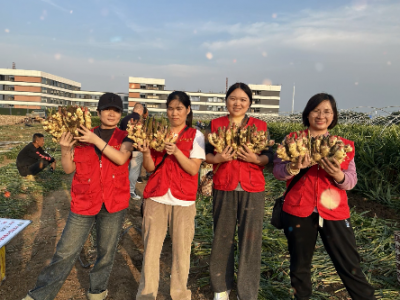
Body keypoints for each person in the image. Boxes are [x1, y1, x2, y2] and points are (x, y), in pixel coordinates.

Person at [22, 93, 133, 300]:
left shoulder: (124, 137)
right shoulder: (81, 134)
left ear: (120, 114)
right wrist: (65, 149)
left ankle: (97, 291)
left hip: (114, 202)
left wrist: (95, 140)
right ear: (98, 112)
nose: (111, 113)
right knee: (65, 251)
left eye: (116, 110)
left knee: (106, 252)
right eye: (106, 109)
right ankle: (39, 295)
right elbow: (68, 169)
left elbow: (120, 158)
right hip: (84, 200)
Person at [273, 93, 376, 300]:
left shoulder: (343, 145)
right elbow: (277, 171)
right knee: (300, 265)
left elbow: (351, 181)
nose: (321, 116)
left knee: (349, 264)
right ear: (308, 114)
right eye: (316, 110)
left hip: (334, 211)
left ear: (334, 115)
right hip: (298, 209)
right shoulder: (293, 140)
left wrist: (338, 174)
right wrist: (293, 167)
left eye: (327, 111)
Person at [205, 83, 273, 300]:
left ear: (249, 103)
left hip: (252, 188)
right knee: (222, 237)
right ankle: (220, 288)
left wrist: (257, 159)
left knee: (250, 240)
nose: (237, 103)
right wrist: (217, 159)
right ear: (226, 101)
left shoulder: (260, 126)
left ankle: (247, 292)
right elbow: (204, 154)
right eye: (233, 98)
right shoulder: (215, 124)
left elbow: (269, 156)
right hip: (224, 185)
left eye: (243, 99)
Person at [136, 91, 205, 300]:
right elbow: (150, 168)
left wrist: (176, 152)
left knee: (182, 252)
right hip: (156, 197)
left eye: (179, 108)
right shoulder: (158, 133)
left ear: (188, 110)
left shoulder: (196, 136)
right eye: (171, 108)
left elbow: (193, 169)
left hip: (183, 200)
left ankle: (180, 294)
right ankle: (147, 294)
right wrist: (147, 153)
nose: (174, 113)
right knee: (150, 250)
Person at [120, 103, 144, 199]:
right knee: (134, 169)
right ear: (141, 111)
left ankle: (121, 188)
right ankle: (130, 191)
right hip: (136, 148)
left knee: (123, 169)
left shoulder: (124, 119)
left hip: (123, 147)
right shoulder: (141, 121)